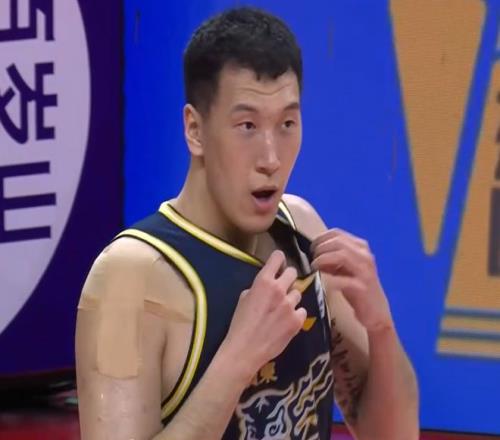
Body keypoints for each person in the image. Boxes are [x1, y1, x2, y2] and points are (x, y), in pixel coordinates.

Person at [76, 6, 419, 440]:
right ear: (195, 130)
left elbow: (393, 434)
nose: (271, 158)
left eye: (287, 123)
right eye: (247, 126)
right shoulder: (129, 278)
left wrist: (380, 326)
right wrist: (238, 359)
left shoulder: (303, 231)